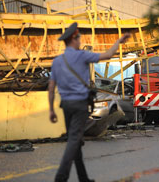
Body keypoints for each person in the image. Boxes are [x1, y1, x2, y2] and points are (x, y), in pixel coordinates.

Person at [48, 22, 130, 182]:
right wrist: (118, 42)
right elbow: (107, 55)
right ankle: (61, 177)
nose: (80, 41)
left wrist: (51, 109)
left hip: (65, 106)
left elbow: (51, 87)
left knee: (76, 141)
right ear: (74, 38)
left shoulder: (57, 61)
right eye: (78, 38)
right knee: (73, 139)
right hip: (80, 105)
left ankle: (83, 178)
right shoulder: (82, 55)